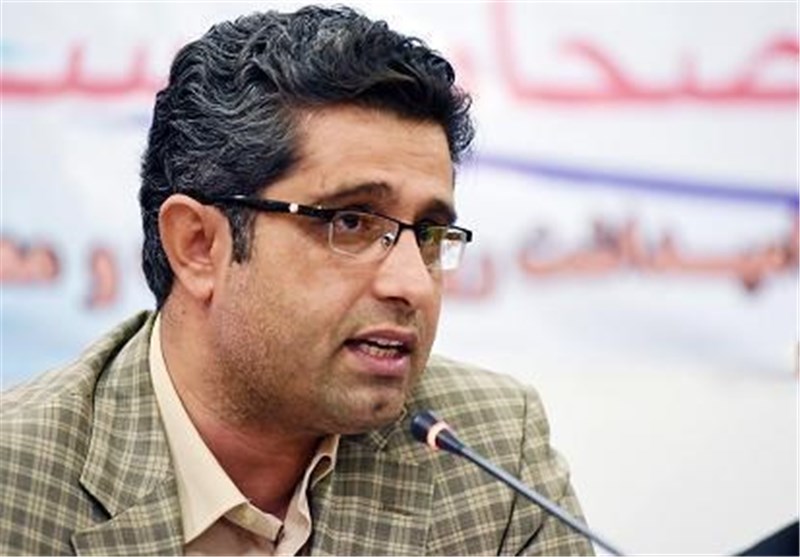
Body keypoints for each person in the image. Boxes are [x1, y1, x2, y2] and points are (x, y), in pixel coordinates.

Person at [0, 5, 593, 555]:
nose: (413, 285)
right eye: (351, 222)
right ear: (198, 246)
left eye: (430, 233)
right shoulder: (17, 481)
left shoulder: (491, 452)